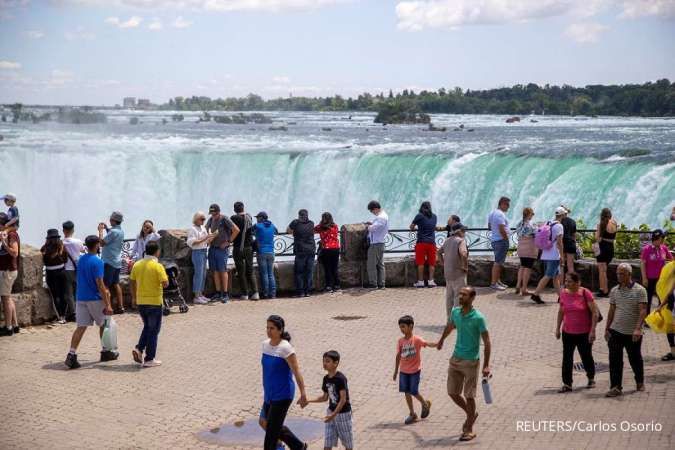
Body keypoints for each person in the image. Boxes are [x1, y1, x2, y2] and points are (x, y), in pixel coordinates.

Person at [437, 287, 491, 442]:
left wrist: (486, 365)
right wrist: (441, 340)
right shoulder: (455, 312)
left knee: (469, 395)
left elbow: (487, 341)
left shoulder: (478, 318)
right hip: (455, 359)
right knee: (452, 392)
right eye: (460, 294)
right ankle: (471, 414)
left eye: (464, 295)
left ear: (472, 298)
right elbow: (450, 327)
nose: (460, 297)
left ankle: (469, 428)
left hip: (471, 361)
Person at [64, 235, 116, 369]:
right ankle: (105, 351)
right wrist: (108, 304)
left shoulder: (81, 259)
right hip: (95, 298)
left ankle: (71, 354)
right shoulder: (98, 262)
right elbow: (100, 284)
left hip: (81, 297)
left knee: (80, 327)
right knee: (104, 324)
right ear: (98, 245)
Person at [260, 315, 309, 450]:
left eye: (272, 328)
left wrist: (303, 393)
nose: (269, 331)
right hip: (269, 394)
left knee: (271, 435)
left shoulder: (285, 348)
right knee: (264, 422)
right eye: (267, 328)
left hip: (283, 395)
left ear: (280, 330)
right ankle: (298, 446)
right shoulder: (265, 345)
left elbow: (296, 371)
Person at [605, 263, 648, 397]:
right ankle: (616, 386)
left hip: (632, 332)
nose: (619, 276)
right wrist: (607, 329)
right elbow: (611, 311)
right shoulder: (614, 291)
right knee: (614, 360)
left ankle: (639, 381)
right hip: (616, 330)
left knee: (635, 358)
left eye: (622, 273)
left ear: (629, 275)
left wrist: (637, 328)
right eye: (618, 273)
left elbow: (642, 311)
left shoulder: (640, 290)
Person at [556, 273, 599, 393]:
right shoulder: (563, 293)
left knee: (586, 356)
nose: (567, 283)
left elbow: (595, 313)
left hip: (584, 333)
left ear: (577, 282)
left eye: (569, 281)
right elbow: (561, 311)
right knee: (567, 358)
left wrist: (593, 330)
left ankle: (591, 378)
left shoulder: (585, 293)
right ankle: (567, 383)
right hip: (568, 332)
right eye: (566, 281)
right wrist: (557, 328)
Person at [130, 241, 168, 368]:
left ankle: (139, 349)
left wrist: (134, 298)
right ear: (157, 251)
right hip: (154, 302)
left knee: (147, 327)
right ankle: (149, 358)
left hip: (141, 302)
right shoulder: (157, 266)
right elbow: (165, 283)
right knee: (154, 331)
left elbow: (132, 281)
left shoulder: (137, 265)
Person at [306, 350, 353, 450]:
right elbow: (324, 397)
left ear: (336, 363)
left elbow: (343, 400)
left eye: (327, 361)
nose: (324, 364)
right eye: (323, 361)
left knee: (348, 444)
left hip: (343, 414)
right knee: (327, 443)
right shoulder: (326, 378)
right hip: (331, 413)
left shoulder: (341, 379)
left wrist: (334, 414)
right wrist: (308, 400)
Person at [393, 315, 436, 425]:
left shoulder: (417, 340)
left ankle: (424, 403)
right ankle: (412, 414)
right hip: (403, 371)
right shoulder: (400, 341)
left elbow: (427, 344)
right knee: (406, 392)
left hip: (415, 371)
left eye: (403, 326)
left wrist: (438, 343)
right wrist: (395, 371)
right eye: (400, 327)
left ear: (411, 326)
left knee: (413, 391)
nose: (401, 329)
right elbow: (398, 356)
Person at [530, 208, 565, 304]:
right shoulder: (559, 226)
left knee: (556, 277)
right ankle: (536, 294)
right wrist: (562, 256)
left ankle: (561, 297)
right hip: (554, 255)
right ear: (563, 215)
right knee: (548, 276)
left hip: (545, 254)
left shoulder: (549, 222)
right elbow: (559, 243)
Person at [206, 203, 239, 303]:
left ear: (219, 212)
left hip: (222, 249)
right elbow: (205, 228)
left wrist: (228, 242)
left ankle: (225, 294)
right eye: (211, 213)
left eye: (214, 213)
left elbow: (236, 230)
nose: (213, 215)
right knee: (215, 271)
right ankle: (217, 292)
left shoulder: (225, 219)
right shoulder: (211, 219)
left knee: (223, 271)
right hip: (213, 248)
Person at [230, 202, 259, 300]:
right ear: (243, 208)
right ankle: (255, 293)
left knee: (240, 271)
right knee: (250, 270)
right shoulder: (249, 217)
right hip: (249, 247)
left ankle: (245, 294)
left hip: (238, 247)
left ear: (234, 209)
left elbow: (231, 230)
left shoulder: (234, 218)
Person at [438, 223, 468, 317]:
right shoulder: (461, 241)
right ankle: (456, 320)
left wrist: (443, 263)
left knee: (449, 298)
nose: (464, 232)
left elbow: (438, 252)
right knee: (458, 298)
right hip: (458, 273)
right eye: (463, 230)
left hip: (448, 273)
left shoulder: (447, 241)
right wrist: (465, 266)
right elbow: (463, 253)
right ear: (459, 231)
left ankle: (449, 320)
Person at [640, 229, 673, 315]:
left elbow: (671, 259)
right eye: (662, 238)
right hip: (649, 278)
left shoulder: (664, 248)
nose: (663, 240)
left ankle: (659, 317)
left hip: (661, 278)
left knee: (661, 298)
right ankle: (646, 317)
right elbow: (643, 263)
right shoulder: (647, 249)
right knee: (648, 298)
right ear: (657, 239)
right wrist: (644, 278)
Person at [98, 211, 125, 314]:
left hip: (108, 262)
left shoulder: (113, 232)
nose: (109, 220)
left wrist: (100, 231)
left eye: (110, 219)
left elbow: (101, 243)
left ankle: (108, 307)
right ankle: (121, 306)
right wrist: (107, 229)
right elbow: (113, 235)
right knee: (116, 284)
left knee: (105, 285)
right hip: (117, 261)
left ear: (113, 220)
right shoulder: (120, 231)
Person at [41, 229, 69, 324]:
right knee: (63, 294)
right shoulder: (62, 247)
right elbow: (65, 260)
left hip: (50, 272)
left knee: (55, 295)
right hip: (61, 271)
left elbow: (43, 260)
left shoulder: (45, 248)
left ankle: (60, 316)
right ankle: (64, 316)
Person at [187, 211, 215, 305]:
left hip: (203, 251)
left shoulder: (203, 227)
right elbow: (192, 242)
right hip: (197, 252)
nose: (203, 221)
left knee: (203, 274)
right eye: (202, 219)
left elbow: (206, 241)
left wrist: (212, 237)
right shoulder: (192, 229)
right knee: (198, 274)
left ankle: (200, 294)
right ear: (196, 219)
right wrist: (206, 237)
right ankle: (196, 296)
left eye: (204, 219)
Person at [287, 209, 316, 298]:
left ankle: (301, 292)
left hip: (301, 250)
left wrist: (295, 233)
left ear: (299, 215)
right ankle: (308, 291)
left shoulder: (295, 223)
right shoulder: (311, 223)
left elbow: (288, 231)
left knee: (299, 272)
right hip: (311, 250)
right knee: (309, 271)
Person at [410, 201, 438, 288]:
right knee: (431, 263)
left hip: (421, 242)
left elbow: (411, 227)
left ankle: (421, 282)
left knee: (420, 263)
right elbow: (433, 227)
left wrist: (415, 229)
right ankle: (431, 281)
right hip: (432, 243)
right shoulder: (434, 216)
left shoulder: (419, 215)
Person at [0, 213, 20, 336]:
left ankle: (8, 328)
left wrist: (4, 242)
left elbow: (15, 253)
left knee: (5, 298)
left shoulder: (11, 235)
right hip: (8, 270)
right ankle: (15, 325)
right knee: (8, 297)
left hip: (7, 271)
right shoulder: (8, 233)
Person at [62, 220, 84, 322]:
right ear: (73, 230)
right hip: (77, 269)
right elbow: (83, 250)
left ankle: (73, 313)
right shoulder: (78, 242)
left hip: (66, 269)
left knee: (68, 293)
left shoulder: (62, 243)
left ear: (63, 231)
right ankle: (79, 311)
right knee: (77, 291)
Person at [487, 197, 510, 290]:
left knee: (499, 262)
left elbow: (489, 226)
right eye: (507, 205)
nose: (508, 207)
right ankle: (493, 283)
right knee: (497, 263)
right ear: (502, 204)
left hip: (495, 240)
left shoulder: (492, 213)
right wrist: (506, 239)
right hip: (501, 241)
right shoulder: (500, 214)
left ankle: (497, 281)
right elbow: (501, 228)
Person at [315, 212, 341, 292]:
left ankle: (329, 286)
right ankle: (337, 285)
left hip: (326, 249)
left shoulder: (321, 227)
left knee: (327, 268)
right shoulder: (335, 226)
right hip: (336, 248)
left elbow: (313, 230)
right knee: (334, 267)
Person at [255, 212, 278, 299]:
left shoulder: (258, 226)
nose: (257, 219)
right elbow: (276, 231)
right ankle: (273, 293)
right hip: (271, 252)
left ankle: (265, 293)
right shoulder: (272, 225)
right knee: (270, 274)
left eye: (258, 217)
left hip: (262, 252)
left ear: (261, 218)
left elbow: (250, 231)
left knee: (264, 274)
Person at [595, 208, 618, 298]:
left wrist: (596, 235)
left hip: (602, 248)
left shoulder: (600, 225)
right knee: (604, 270)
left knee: (602, 271)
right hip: (610, 248)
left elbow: (598, 239)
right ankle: (605, 289)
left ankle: (603, 290)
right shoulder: (614, 223)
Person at [366, 200, 389, 289]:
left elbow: (373, 229)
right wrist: (372, 224)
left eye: (371, 211)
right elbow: (377, 226)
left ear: (375, 209)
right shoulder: (383, 216)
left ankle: (373, 283)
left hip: (376, 243)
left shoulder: (381, 217)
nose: (372, 213)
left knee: (371, 264)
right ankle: (381, 283)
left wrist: (368, 226)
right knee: (380, 264)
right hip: (380, 242)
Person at [515, 207, 536, 296]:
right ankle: (524, 289)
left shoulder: (519, 223)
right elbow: (536, 234)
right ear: (529, 214)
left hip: (521, 248)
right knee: (527, 268)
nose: (533, 216)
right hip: (529, 249)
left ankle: (518, 285)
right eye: (532, 214)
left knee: (522, 266)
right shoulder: (530, 225)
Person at [559, 205, 577, 276]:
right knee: (570, 266)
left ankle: (561, 285)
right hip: (571, 244)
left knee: (561, 265)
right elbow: (574, 235)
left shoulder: (559, 222)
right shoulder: (573, 221)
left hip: (562, 244)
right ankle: (571, 285)